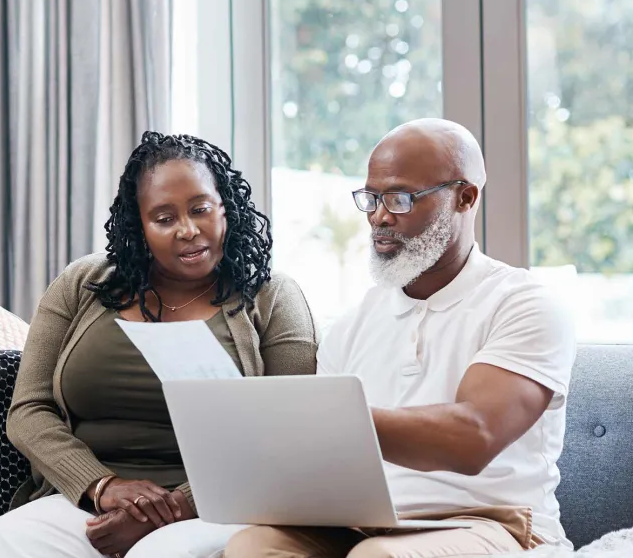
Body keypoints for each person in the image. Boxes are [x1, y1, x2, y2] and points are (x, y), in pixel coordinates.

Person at [226, 118, 577, 557]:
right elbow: (326, 461)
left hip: (492, 522)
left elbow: (475, 436)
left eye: (400, 198)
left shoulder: (525, 303)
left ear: (465, 197)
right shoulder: (353, 324)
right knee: (252, 545)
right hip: (368, 524)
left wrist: (331, 419)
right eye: (371, 198)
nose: (379, 216)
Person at [0, 131, 320, 558]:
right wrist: (103, 487)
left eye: (200, 209)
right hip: (90, 501)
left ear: (226, 208)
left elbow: (285, 431)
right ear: (140, 227)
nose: (188, 230)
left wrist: (171, 508)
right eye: (164, 218)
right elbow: (28, 411)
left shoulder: (273, 296)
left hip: (217, 507)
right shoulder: (84, 283)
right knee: (4, 541)